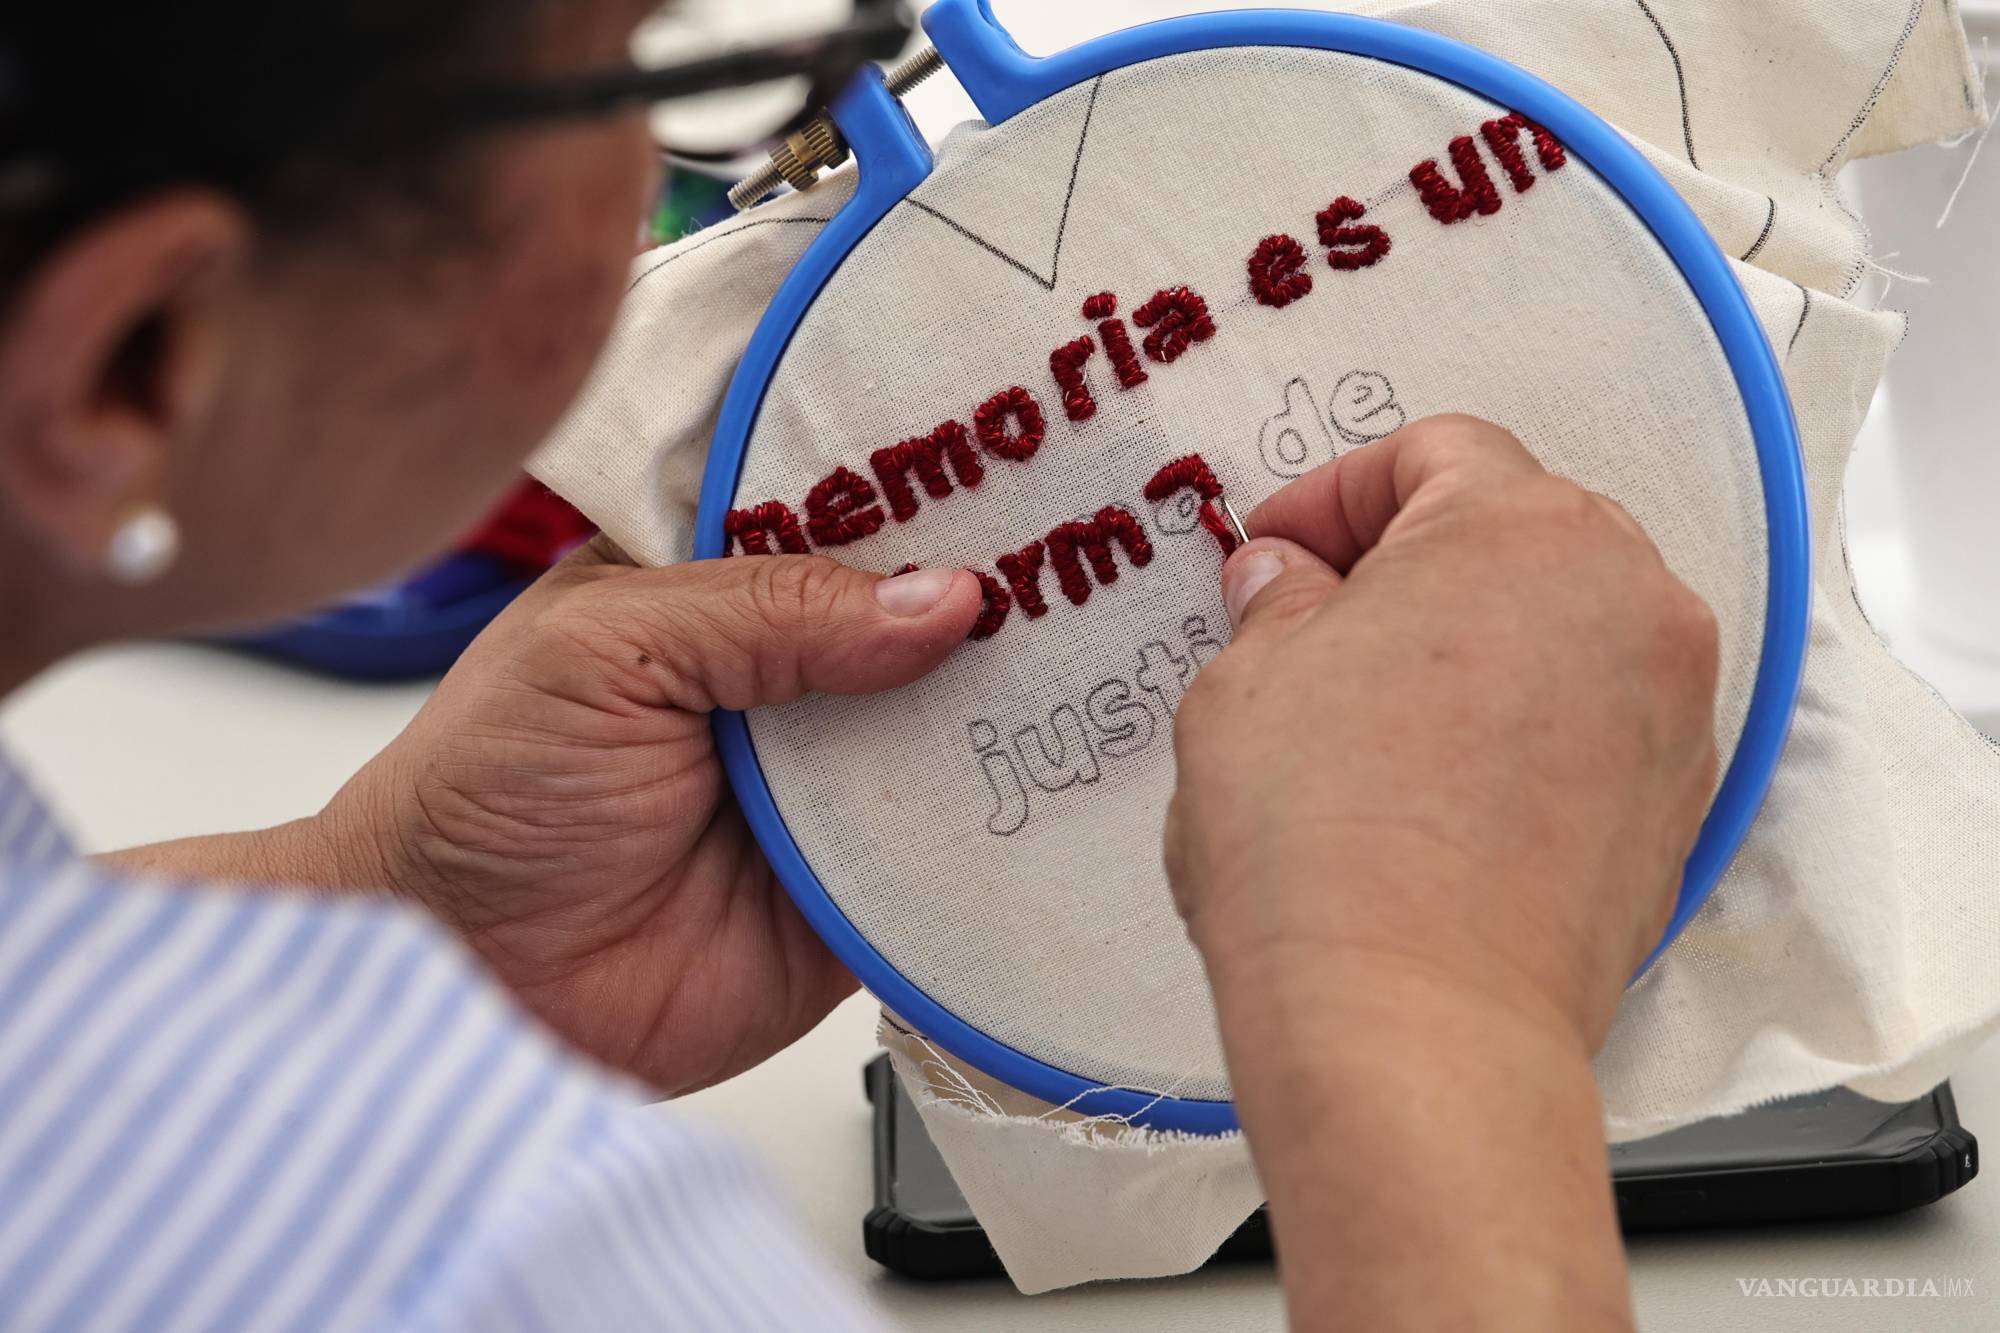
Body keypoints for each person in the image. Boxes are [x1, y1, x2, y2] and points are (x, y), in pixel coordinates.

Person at [0, 3, 1718, 1330]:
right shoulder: (495, 1254)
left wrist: (383, 912)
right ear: (132, 361)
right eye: (640, 62)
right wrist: (1432, 1018)